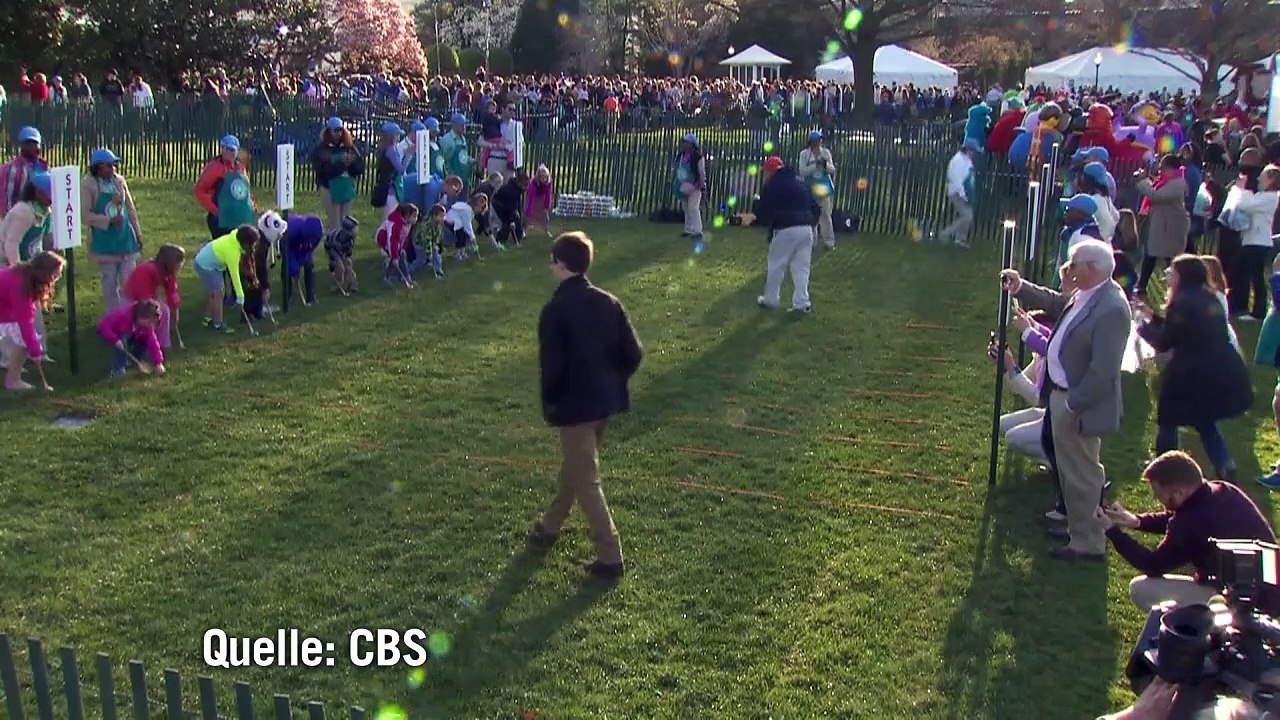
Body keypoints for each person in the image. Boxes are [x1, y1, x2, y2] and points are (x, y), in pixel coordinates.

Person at [1002, 239, 1130, 562]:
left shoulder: (1112, 309)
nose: (1068, 269)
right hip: (1064, 399)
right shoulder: (1089, 295)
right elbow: (1056, 302)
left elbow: (1103, 371)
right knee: (1071, 472)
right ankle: (1078, 528)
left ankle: (1088, 542)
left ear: (1093, 269)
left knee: (1082, 475)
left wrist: (1074, 404)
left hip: (1077, 405)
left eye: (1074, 264)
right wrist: (1021, 288)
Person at [526, 231, 643, 581]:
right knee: (577, 466)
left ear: (561, 265)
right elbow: (633, 354)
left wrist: (551, 399)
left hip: (575, 405)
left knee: (586, 477)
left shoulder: (556, 310)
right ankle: (549, 526)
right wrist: (611, 380)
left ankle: (610, 556)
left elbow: (553, 366)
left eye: (552, 262)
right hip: (604, 403)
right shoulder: (609, 302)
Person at [1100, 451, 1277, 613]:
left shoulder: (1191, 523)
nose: (1156, 498)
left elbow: (1152, 564)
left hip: (1246, 604)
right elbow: (1180, 518)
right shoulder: (1221, 490)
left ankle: (1200, 627)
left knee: (1141, 589)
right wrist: (1138, 521)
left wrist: (1112, 531)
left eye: (1158, 493)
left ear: (1179, 493)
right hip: (1268, 589)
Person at [1134, 255, 1253, 482]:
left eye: (1173, 272)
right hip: (1218, 368)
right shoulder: (1210, 298)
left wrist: (1142, 327)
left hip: (1189, 373)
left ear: (1183, 275)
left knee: (1168, 420)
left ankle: (1165, 469)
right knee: (1205, 422)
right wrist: (1155, 318)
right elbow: (1184, 329)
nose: (1168, 276)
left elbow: (1164, 342)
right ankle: (1225, 464)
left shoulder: (1182, 302)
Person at [753, 155, 818, 313]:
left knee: (777, 265)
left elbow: (763, 214)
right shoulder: (801, 183)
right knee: (801, 268)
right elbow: (815, 208)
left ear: (770, 171)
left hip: (786, 228)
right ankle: (802, 303)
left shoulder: (772, 185)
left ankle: (770, 299)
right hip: (806, 228)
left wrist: (756, 204)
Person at [83, 148, 143, 312]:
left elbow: (130, 208)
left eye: (114, 165)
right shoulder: (88, 184)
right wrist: (108, 220)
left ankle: (129, 315)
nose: (113, 169)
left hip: (124, 237)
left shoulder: (119, 181)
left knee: (128, 280)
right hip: (104, 240)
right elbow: (85, 215)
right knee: (110, 281)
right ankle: (114, 317)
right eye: (108, 165)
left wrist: (137, 233)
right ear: (98, 166)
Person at [0, 252, 64, 391]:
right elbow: (26, 323)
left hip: (4, 310)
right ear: (44, 273)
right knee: (25, 339)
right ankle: (13, 381)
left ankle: (13, 379)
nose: (58, 278)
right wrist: (35, 351)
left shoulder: (25, 275)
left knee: (24, 340)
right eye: (56, 274)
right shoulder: (22, 286)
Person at [1224, 164, 1280, 321]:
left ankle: (1257, 312)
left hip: (1259, 242)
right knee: (1245, 273)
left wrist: (1241, 190)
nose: (1258, 179)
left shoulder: (1271, 197)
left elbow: (1247, 205)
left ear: (1271, 179)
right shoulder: (1264, 196)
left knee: (1253, 275)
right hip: (1253, 240)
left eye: (1263, 176)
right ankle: (1242, 307)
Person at [1134, 154, 1190, 296]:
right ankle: (1142, 286)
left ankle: (1181, 288)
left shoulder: (1178, 183)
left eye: (1163, 168)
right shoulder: (1167, 181)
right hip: (1162, 226)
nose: (1160, 171)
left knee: (1170, 259)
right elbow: (1155, 191)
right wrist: (1146, 179)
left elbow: (1157, 196)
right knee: (1152, 255)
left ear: (1171, 168)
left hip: (1171, 227)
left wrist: (1142, 182)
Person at [193, 225, 259, 333]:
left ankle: (207, 319)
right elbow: (234, 275)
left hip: (210, 264)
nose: (254, 246)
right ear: (246, 243)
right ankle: (218, 324)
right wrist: (240, 295)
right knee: (218, 293)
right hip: (205, 266)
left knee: (214, 292)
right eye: (253, 243)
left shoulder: (236, 237)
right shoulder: (232, 252)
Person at [124, 244, 185, 353]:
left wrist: (176, 334)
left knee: (164, 310)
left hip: (149, 303)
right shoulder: (144, 271)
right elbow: (144, 303)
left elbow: (173, 302)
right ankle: (153, 345)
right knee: (163, 311)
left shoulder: (168, 274)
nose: (180, 267)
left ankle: (162, 343)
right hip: (133, 305)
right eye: (178, 263)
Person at [310, 117, 364, 232]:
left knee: (346, 222)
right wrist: (343, 164)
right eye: (335, 130)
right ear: (328, 131)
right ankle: (333, 247)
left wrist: (352, 164)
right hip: (329, 189)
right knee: (335, 224)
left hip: (346, 189)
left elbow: (360, 167)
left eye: (340, 130)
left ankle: (344, 247)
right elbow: (325, 171)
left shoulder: (349, 146)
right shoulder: (321, 150)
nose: (338, 133)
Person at [97, 299, 165, 377]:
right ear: (141, 316)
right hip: (108, 332)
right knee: (122, 343)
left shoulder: (146, 326)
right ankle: (118, 369)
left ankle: (133, 360)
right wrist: (114, 340)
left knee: (144, 340)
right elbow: (104, 327)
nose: (151, 325)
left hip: (129, 333)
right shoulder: (124, 316)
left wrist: (158, 362)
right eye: (149, 322)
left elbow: (153, 343)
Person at [798, 130, 837, 250]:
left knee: (825, 215)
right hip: (810, 188)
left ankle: (829, 242)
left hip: (823, 187)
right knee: (811, 216)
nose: (818, 143)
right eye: (816, 141)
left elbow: (832, 169)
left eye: (819, 140)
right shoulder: (804, 154)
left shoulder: (825, 153)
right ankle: (811, 242)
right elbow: (802, 171)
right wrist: (815, 165)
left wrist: (825, 165)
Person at [939, 139, 979, 248]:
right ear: (968, 150)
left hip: (964, 192)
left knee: (967, 215)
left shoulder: (966, 160)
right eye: (973, 151)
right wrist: (962, 193)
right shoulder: (958, 161)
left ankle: (960, 239)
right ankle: (946, 233)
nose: (974, 154)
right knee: (967, 216)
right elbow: (954, 177)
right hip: (956, 192)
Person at [674, 133, 706, 243]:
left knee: (693, 208)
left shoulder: (697, 157)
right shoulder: (681, 155)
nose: (683, 144)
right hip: (684, 185)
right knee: (686, 208)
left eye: (686, 142)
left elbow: (701, 171)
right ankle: (688, 229)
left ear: (692, 144)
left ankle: (698, 231)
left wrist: (701, 183)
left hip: (695, 185)